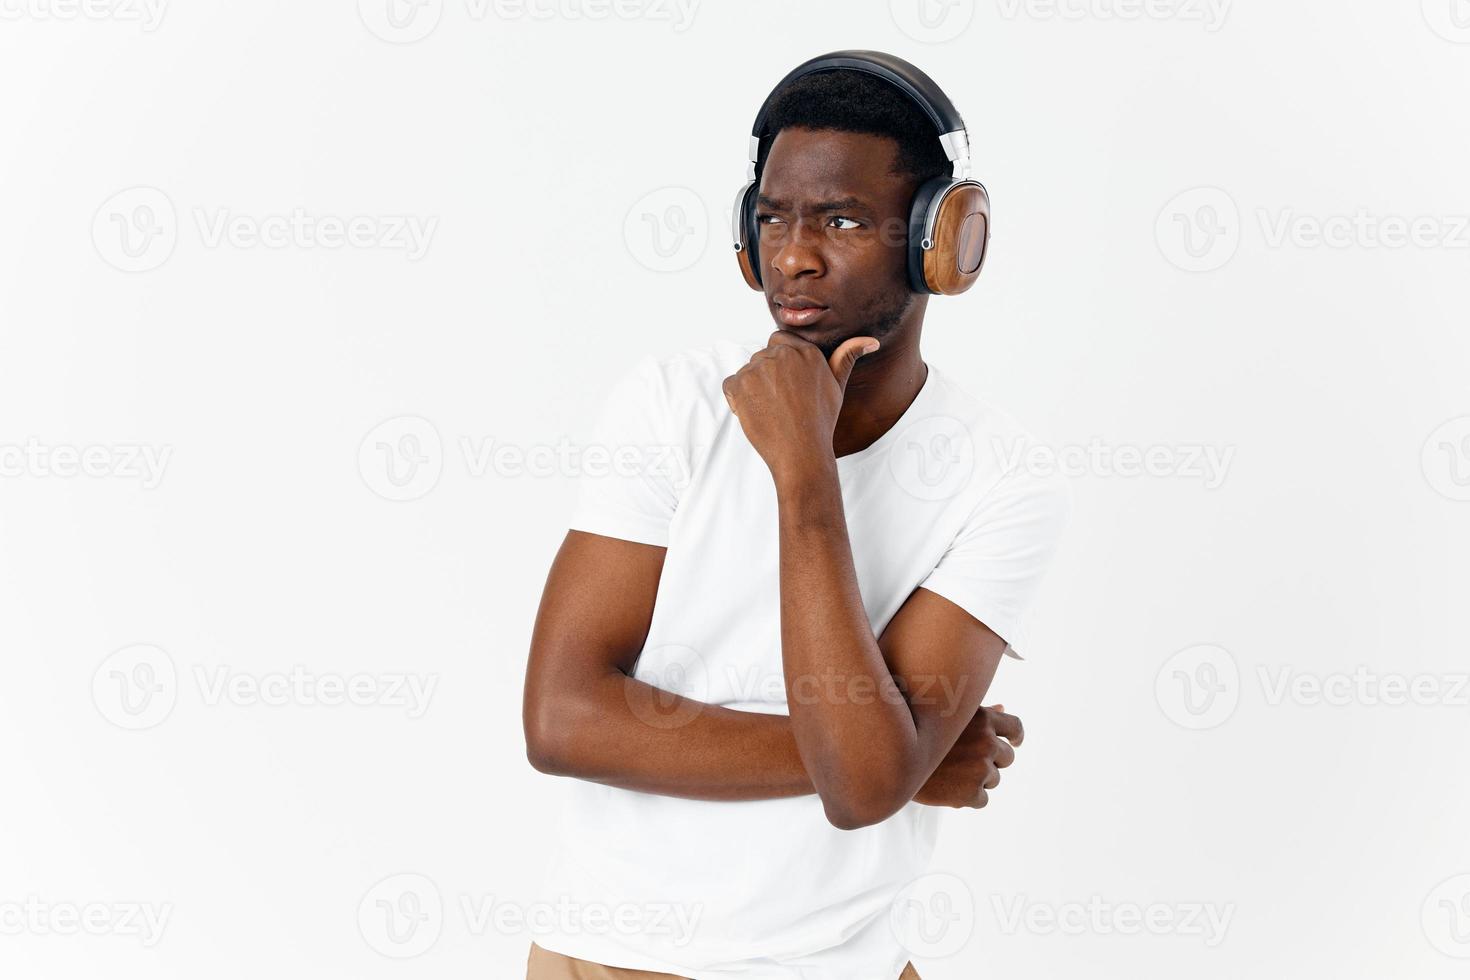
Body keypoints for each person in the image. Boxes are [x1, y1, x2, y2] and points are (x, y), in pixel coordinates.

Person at [521, 52, 1070, 980]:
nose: (793, 256)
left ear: (941, 239)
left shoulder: (1004, 480)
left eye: (843, 220)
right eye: (772, 218)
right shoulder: (669, 406)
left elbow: (863, 788)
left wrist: (804, 474)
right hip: (610, 961)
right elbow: (563, 719)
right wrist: (891, 756)